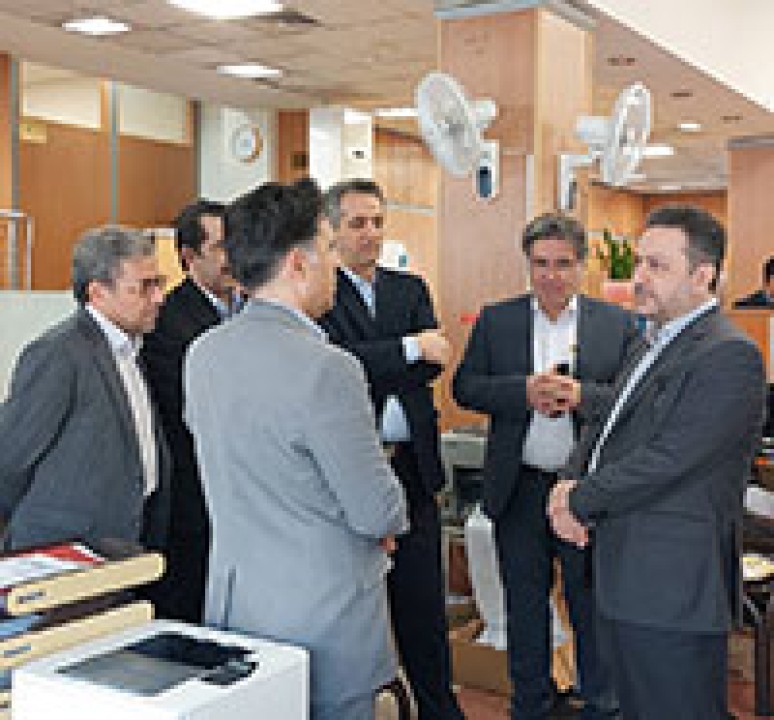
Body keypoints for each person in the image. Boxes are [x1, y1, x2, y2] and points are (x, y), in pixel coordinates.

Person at [184, 179, 408, 720]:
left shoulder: (204, 354)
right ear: (298, 264)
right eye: (329, 248)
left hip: (238, 611)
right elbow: (377, 509)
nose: (336, 263)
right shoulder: (328, 369)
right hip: (326, 621)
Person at [549, 205, 767, 720]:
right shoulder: (650, 342)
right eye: (639, 262)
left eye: (657, 266)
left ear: (703, 276)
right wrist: (568, 481)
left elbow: (669, 458)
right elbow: (607, 423)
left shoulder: (728, 354)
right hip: (625, 576)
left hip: (672, 587)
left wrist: (580, 500)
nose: (639, 278)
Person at [453, 212, 637, 720]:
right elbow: (465, 387)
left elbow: (633, 402)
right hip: (519, 490)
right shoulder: (498, 321)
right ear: (528, 265)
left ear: (581, 266)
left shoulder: (615, 324)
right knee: (525, 608)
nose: (551, 276)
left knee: (589, 607)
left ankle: (599, 706)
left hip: (585, 493)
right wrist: (523, 392)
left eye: (563, 264)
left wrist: (580, 396)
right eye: (541, 264)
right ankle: (531, 706)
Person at [319, 178, 464, 720]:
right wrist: (406, 348)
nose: (371, 233)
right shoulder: (322, 294)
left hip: (413, 472)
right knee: (361, 607)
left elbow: (435, 361)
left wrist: (385, 360)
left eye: (378, 222)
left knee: (424, 607)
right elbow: (339, 366)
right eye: (358, 223)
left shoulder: (409, 289)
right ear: (332, 229)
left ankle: (440, 709)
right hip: (353, 473)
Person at [0, 226, 170, 552]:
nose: (159, 298)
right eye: (145, 287)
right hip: (64, 549)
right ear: (98, 292)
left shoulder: (131, 349)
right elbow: (10, 458)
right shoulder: (58, 353)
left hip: (127, 540)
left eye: (159, 283)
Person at [141, 200, 231, 624]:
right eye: (221, 247)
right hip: (195, 496)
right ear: (189, 257)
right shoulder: (169, 321)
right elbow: (188, 413)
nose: (233, 257)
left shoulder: (251, 309)